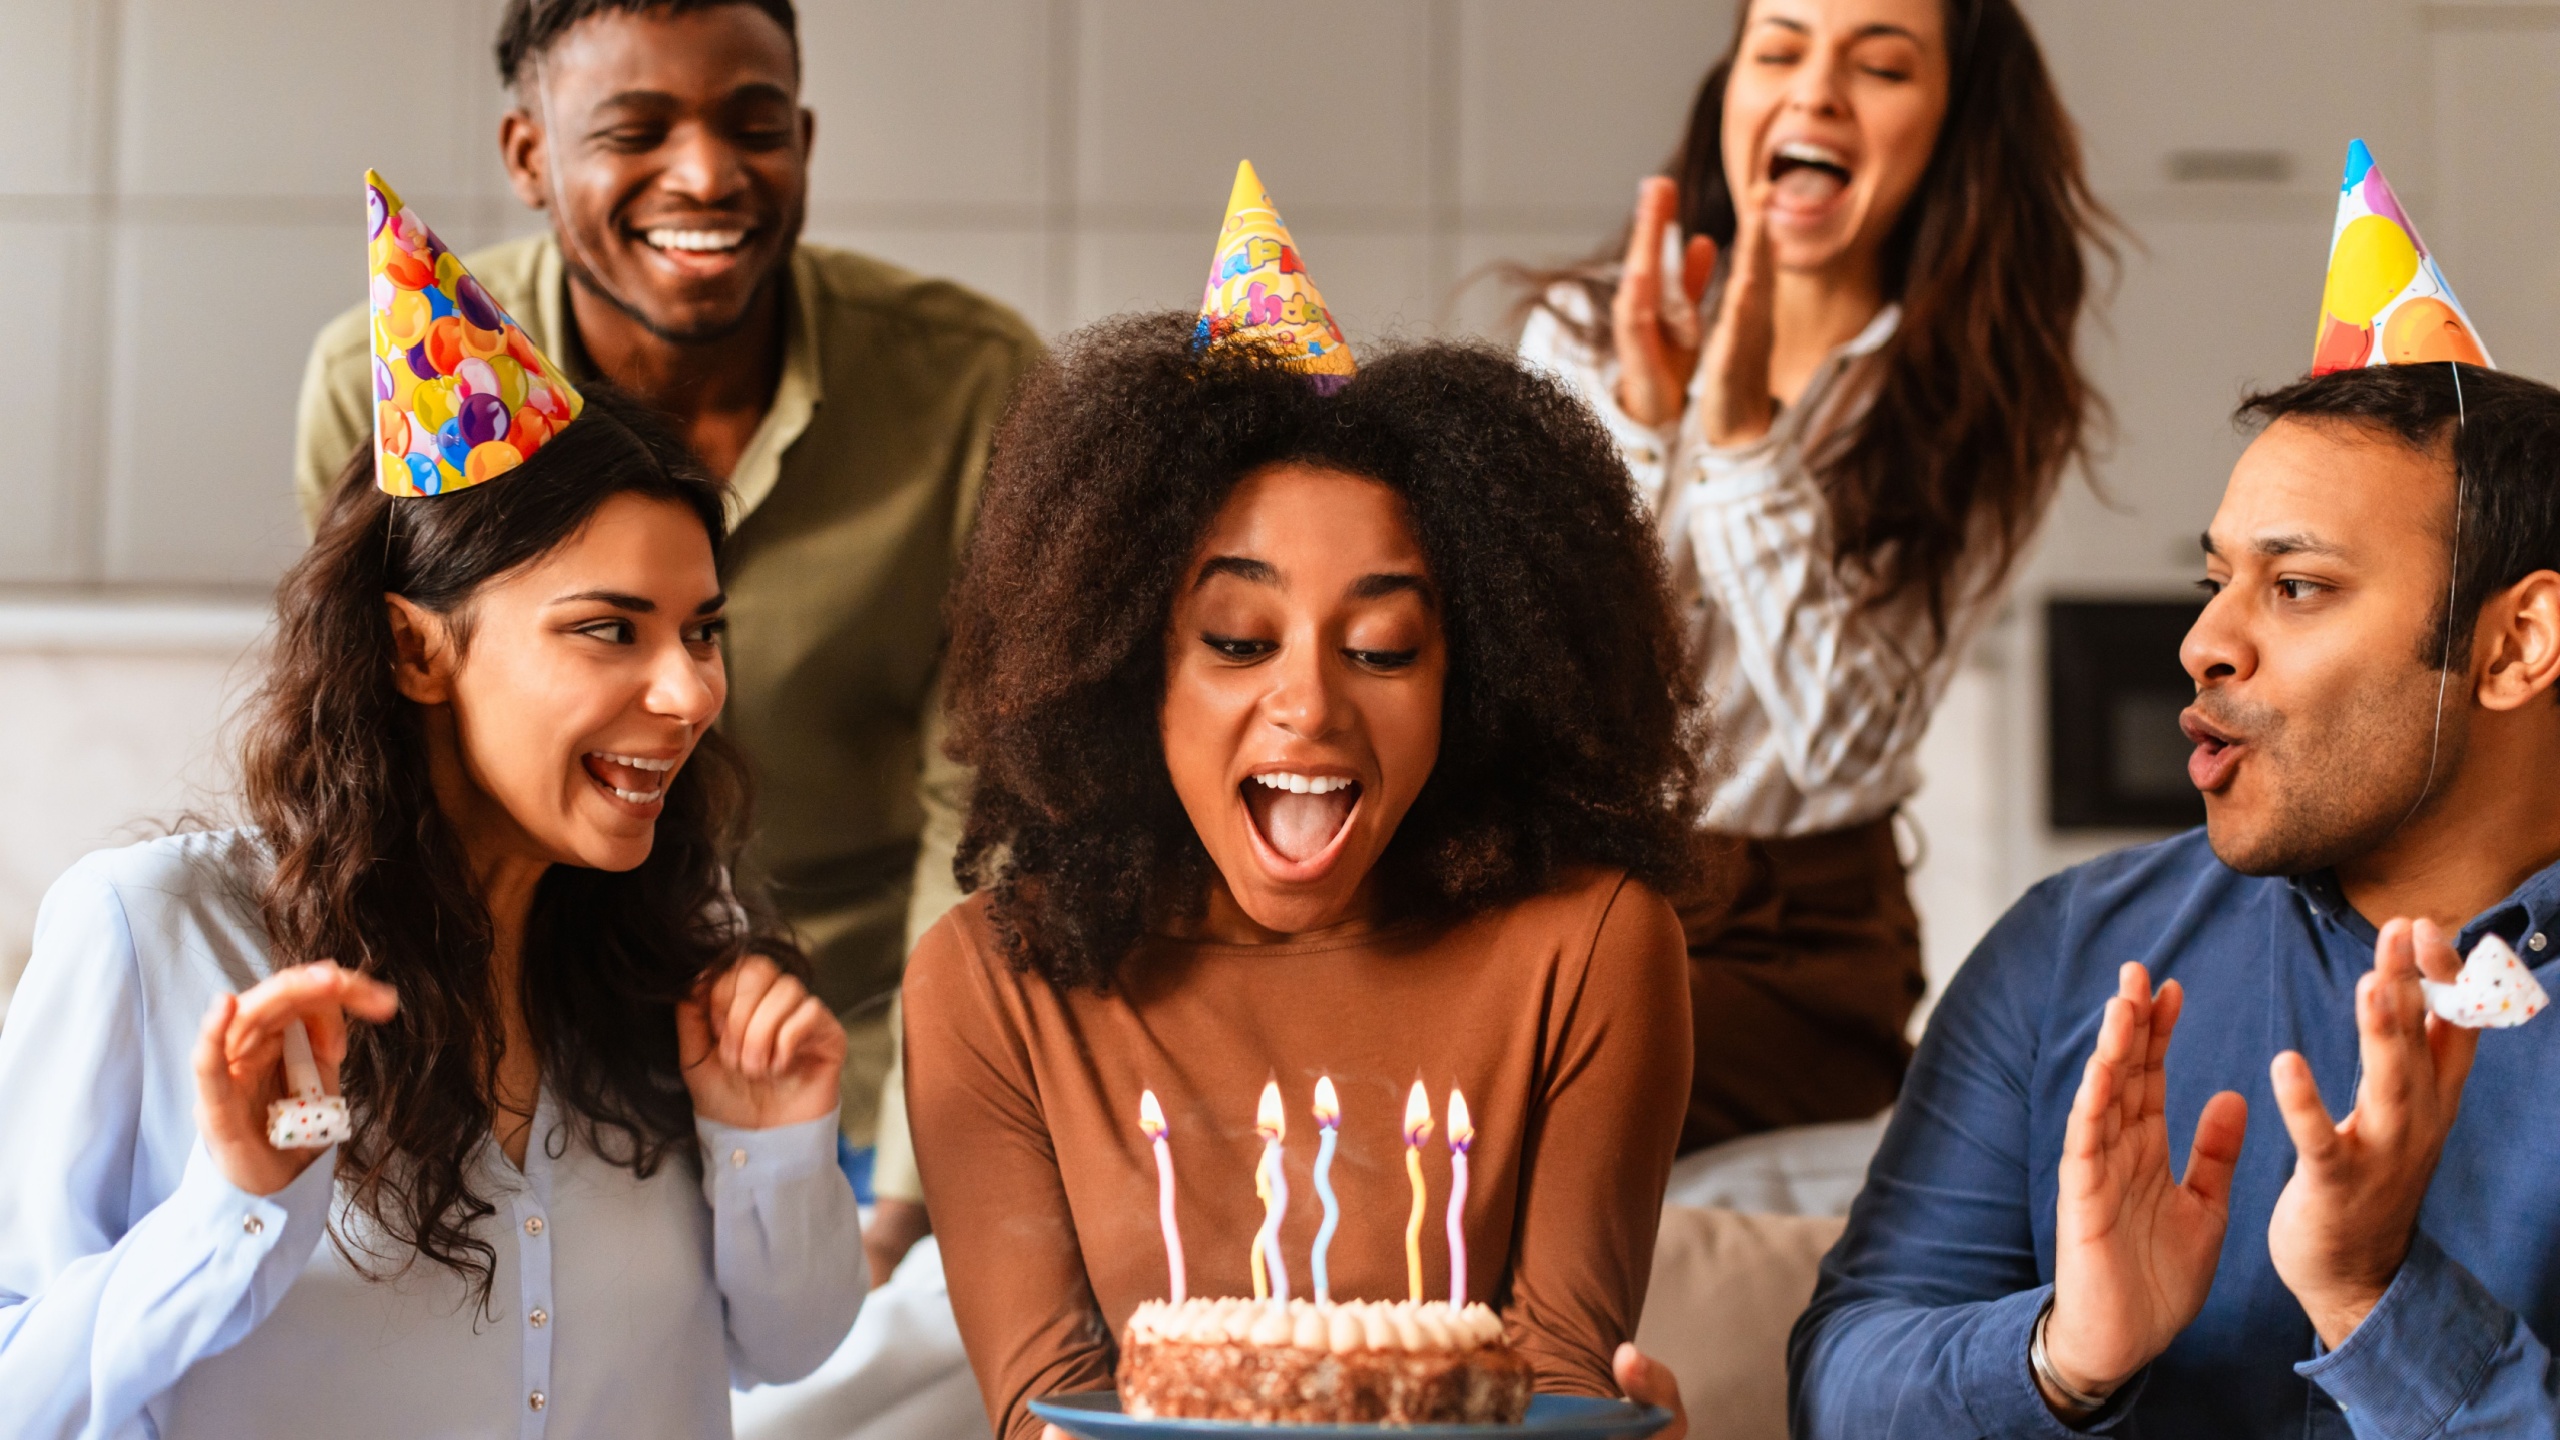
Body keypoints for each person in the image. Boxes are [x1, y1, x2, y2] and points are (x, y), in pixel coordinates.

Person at [0, 211, 862, 1431]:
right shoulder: (158, 937)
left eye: (703, 629)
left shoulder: (682, 957)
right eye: (610, 628)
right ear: (415, 647)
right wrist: (231, 1208)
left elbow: (788, 1348)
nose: (691, 692)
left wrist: (770, 1145)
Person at [901, 170, 1701, 1440]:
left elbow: (1555, 1383)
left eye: (1382, 648)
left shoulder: (1590, 948)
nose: (1309, 706)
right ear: (1126, 666)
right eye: (1235, 639)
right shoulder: (993, 983)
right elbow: (1045, 1420)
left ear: (1474, 677)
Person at [291, 0, 1043, 1277]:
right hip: (531, 1052)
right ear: (527, 154)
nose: (707, 173)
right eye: (636, 131)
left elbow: (985, 800)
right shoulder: (383, 379)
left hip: (856, 1055)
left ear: (801, 138)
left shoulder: (969, 383)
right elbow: (375, 751)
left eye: (753, 126)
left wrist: (909, 1187)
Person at [1786, 353, 2560, 1432]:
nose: (2202, 644)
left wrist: (2374, 1299)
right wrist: (2062, 1357)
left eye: (2296, 588)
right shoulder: (2072, 951)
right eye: (2215, 583)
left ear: (2514, 644)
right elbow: (1836, 1387)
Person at [1514, 0, 2114, 1149]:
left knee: (1539, 1090)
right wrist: (1639, 434)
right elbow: (1529, 676)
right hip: (1556, 891)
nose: (1816, 90)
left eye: (1881, 65)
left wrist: (1741, 448)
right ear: (1730, 93)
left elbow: (1843, 742)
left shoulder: (1982, 409)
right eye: (1780, 49)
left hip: (1792, 937)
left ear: (1956, 124)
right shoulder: (1583, 336)